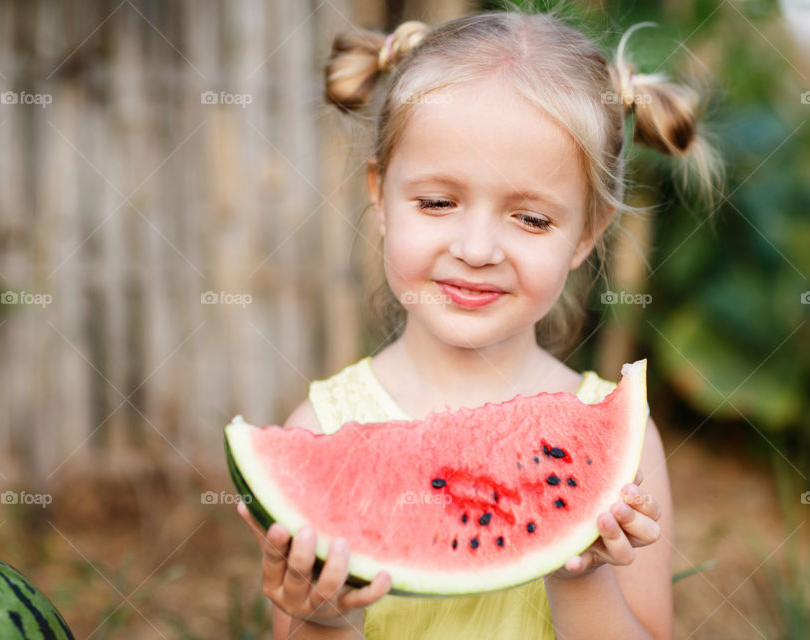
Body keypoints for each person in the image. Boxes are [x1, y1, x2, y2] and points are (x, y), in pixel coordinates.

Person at [238, 7, 723, 639]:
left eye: (531, 219)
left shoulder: (628, 447)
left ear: (586, 236)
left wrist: (581, 572)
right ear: (379, 196)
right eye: (437, 202)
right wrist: (324, 617)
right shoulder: (323, 426)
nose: (476, 248)